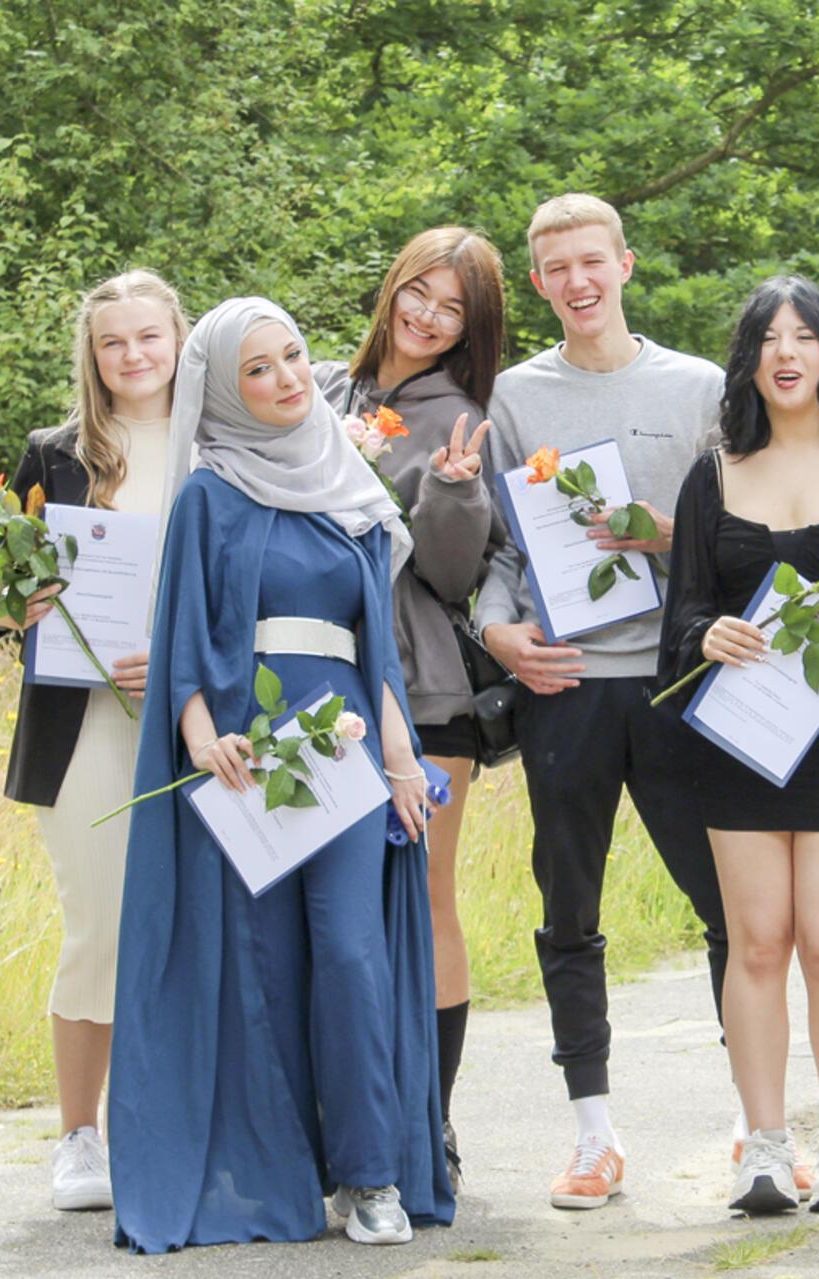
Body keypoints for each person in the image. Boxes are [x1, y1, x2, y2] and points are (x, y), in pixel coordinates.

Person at [109, 298, 453, 1250]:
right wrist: (199, 736)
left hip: (340, 753)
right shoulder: (207, 496)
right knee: (264, 964)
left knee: (350, 952)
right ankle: (283, 1173)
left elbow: (373, 647)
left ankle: (372, 1172)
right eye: (256, 368)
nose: (285, 378)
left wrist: (400, 760)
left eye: (293, 356)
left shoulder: (347, 485)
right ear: (222, 386)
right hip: (248, 761)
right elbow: (181, 638)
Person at [472, 193, 731, 1210]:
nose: (578, 282)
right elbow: (501, 552)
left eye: (594, 261)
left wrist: (667, 535)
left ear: (626, 264)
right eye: (557, 269)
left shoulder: (700, 388)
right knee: (567, 913)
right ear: (539, 284)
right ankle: (593, 1135)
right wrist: (497, 632)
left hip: (678, 685)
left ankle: (760, 1126)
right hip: (565, 690)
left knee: (729, 910)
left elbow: (739, 541)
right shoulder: (516, 400)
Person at [660, 275, 819, 1215]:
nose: (785, 352)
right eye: (768, 338)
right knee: (758, 943)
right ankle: (765, 1150)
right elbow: (682, 613)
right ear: (749, 360)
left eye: (802, 335)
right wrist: (708, 637)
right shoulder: (712, 473)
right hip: (739, 745)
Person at [0, 270, 187, 1213]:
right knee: (98, 927)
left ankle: (180, 1121)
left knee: (194, 926)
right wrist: (13, 603)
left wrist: (181, 662)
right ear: (91, 356)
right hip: (83, 725)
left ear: (181, 339)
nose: (134, 356)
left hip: (199, 719)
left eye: (150, 337)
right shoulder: (53, 455)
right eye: (114, 343)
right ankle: (79, 1136)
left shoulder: (218, 445)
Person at [314, 226, 508, 1183]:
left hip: (422, 683)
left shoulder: (464, 418)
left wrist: (452, 492)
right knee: (327, 906)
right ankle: (334, 1116)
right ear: (392, 287)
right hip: (312, 683)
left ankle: (428, 1121)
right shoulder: (314, 389)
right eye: (418, 294)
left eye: (452, 309)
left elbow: (452, 574)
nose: (428, 318)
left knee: (428, 896)